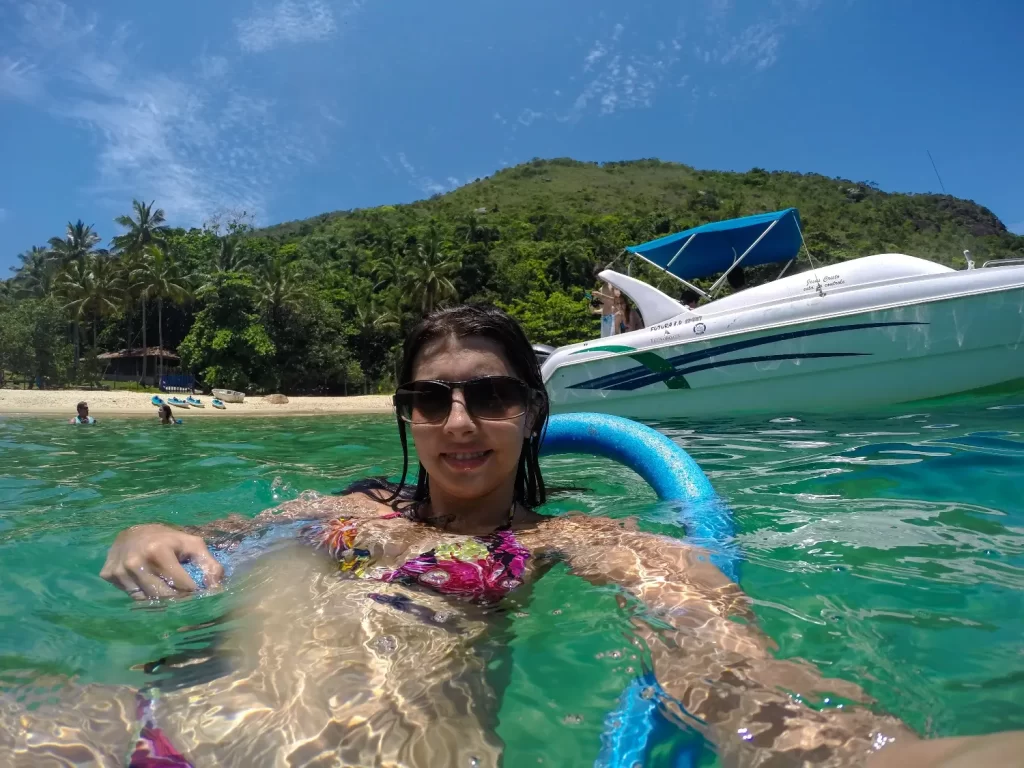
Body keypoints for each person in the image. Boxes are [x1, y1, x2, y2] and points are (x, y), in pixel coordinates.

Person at [9, 306, 1022, 767]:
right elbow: (211, 534)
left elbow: (721, 677)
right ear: (404, 415)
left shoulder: (570, 541)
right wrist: (148, 527)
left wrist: (845, 744)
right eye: (431, 399)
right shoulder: (333, 513)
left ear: (532, 412)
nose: (458, 423)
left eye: (489, 397)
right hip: (152, 727)